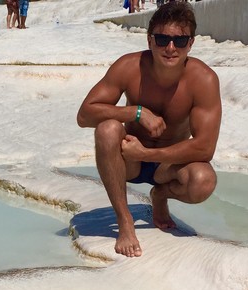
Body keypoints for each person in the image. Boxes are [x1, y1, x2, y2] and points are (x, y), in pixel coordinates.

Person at [76, 2, 221, 257]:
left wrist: (146, 154)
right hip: (129, 161)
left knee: (203, 181)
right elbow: (85, 115)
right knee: (107, 129)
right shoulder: (129, 67)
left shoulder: (203, 79)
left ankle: (160, 195)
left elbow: (204, 148)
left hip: (167, 166)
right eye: (162, 39)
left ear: (191, 43)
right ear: (150, 40)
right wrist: (135, 112)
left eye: (180, 40)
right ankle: (125, 221)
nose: (170, 48)